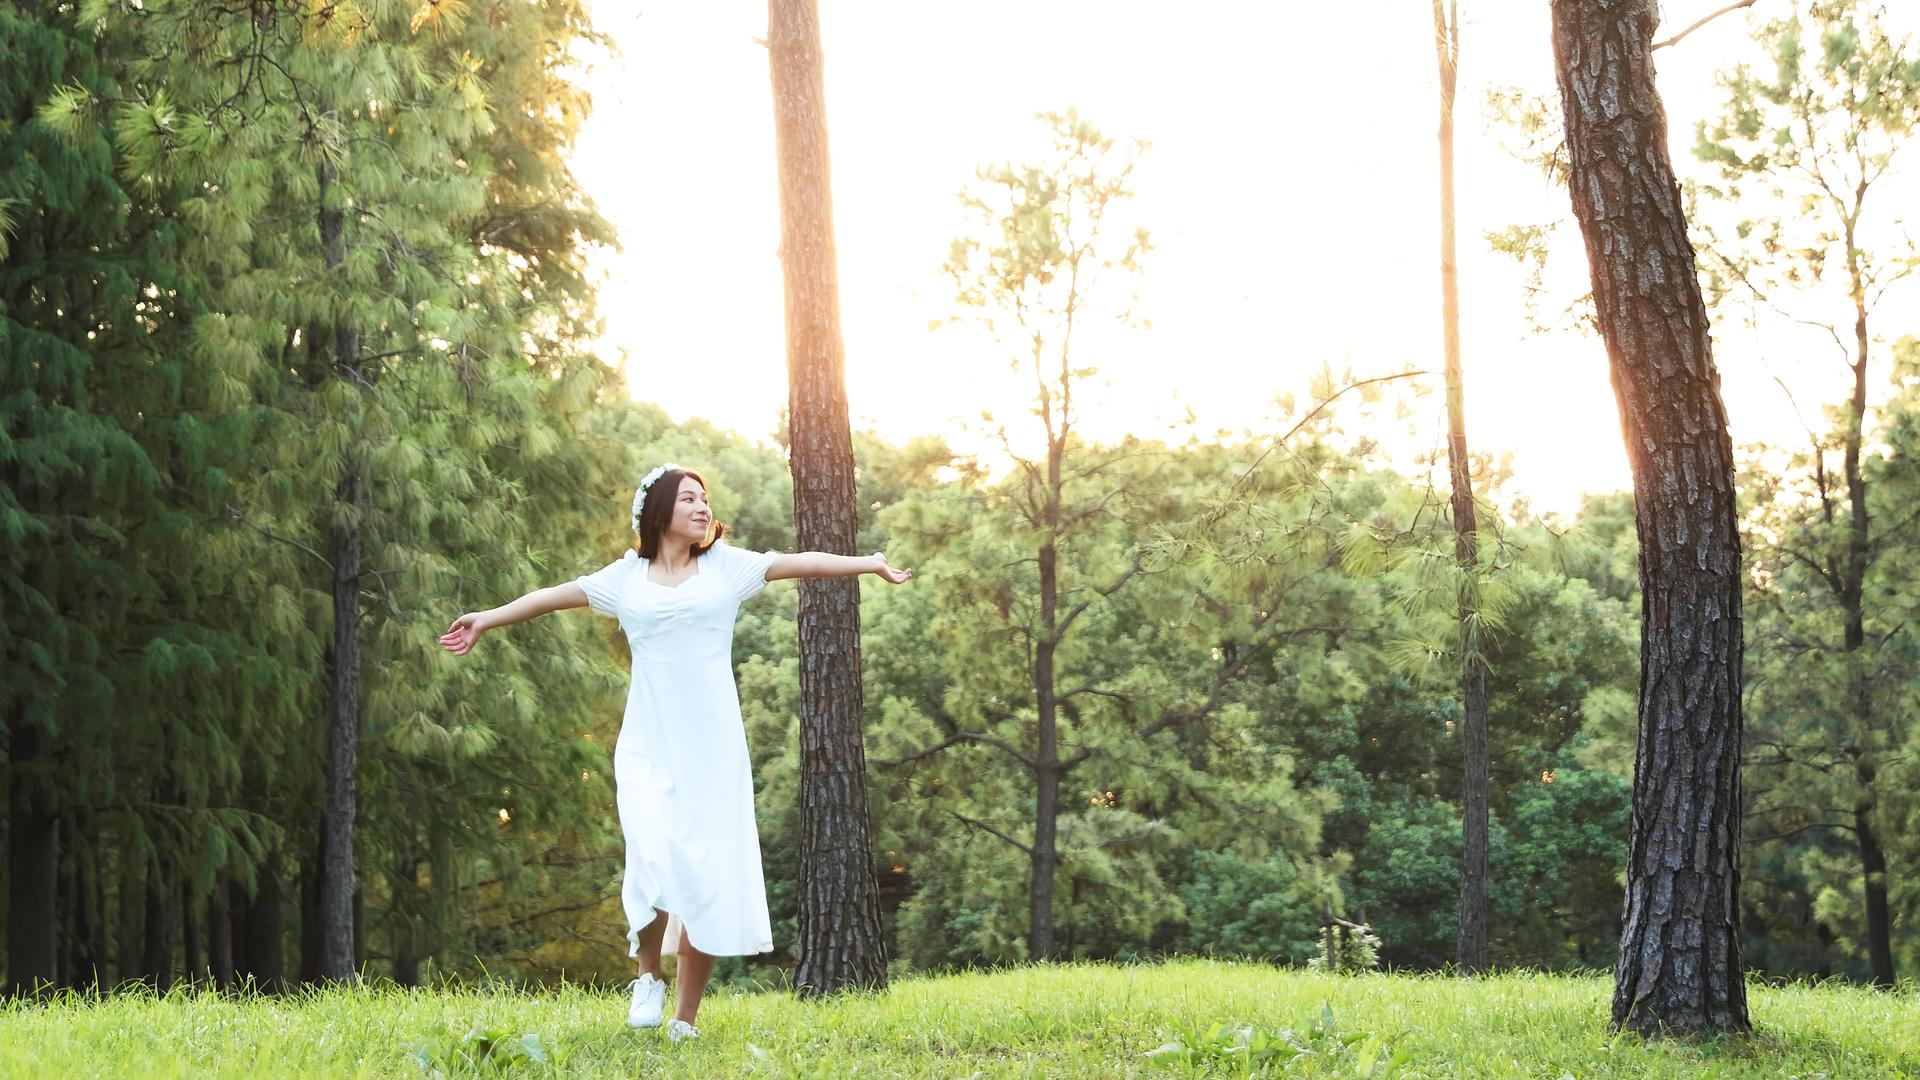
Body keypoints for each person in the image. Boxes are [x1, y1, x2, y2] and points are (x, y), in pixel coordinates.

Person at [438, 464, 910, 1042]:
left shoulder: (727, 568)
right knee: (652, 853)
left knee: (704, 875)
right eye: (689, 498)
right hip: (647, 743)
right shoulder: (625, 579)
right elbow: (550, 598)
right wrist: (487, 618)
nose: (701, 506)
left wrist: (868, 564)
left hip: (712, 750)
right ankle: (647, 978)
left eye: (704, 498)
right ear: (659, 510)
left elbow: (800, 562)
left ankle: (685, 1019)